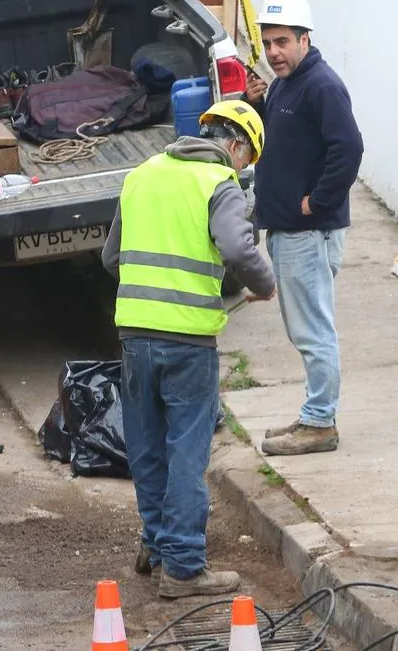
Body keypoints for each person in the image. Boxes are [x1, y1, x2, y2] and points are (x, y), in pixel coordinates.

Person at [101, 100, 277, 599]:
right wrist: (264, 283)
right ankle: (182, 566)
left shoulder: (142, 176)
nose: (242, 171)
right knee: (185, 452)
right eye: (246, 161)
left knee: (147, 446)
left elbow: (112, 257)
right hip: (187, 342)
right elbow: (238, 248)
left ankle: (156, 545)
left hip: (135, 336)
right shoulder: (218, 183)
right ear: (236, 146)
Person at [244, 0, 364, 457]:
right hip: (288, 229)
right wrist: (259, 106)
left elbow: (348, 148)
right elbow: (287, 140)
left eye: (283, 42)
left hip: (308, 232)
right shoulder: (285, 84)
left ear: (304, 39)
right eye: (268, 43)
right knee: (305, 329)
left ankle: (319, 423)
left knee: (313, 331)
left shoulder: (322, 86)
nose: (274, 52)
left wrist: (319, 201)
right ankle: (315, 413)